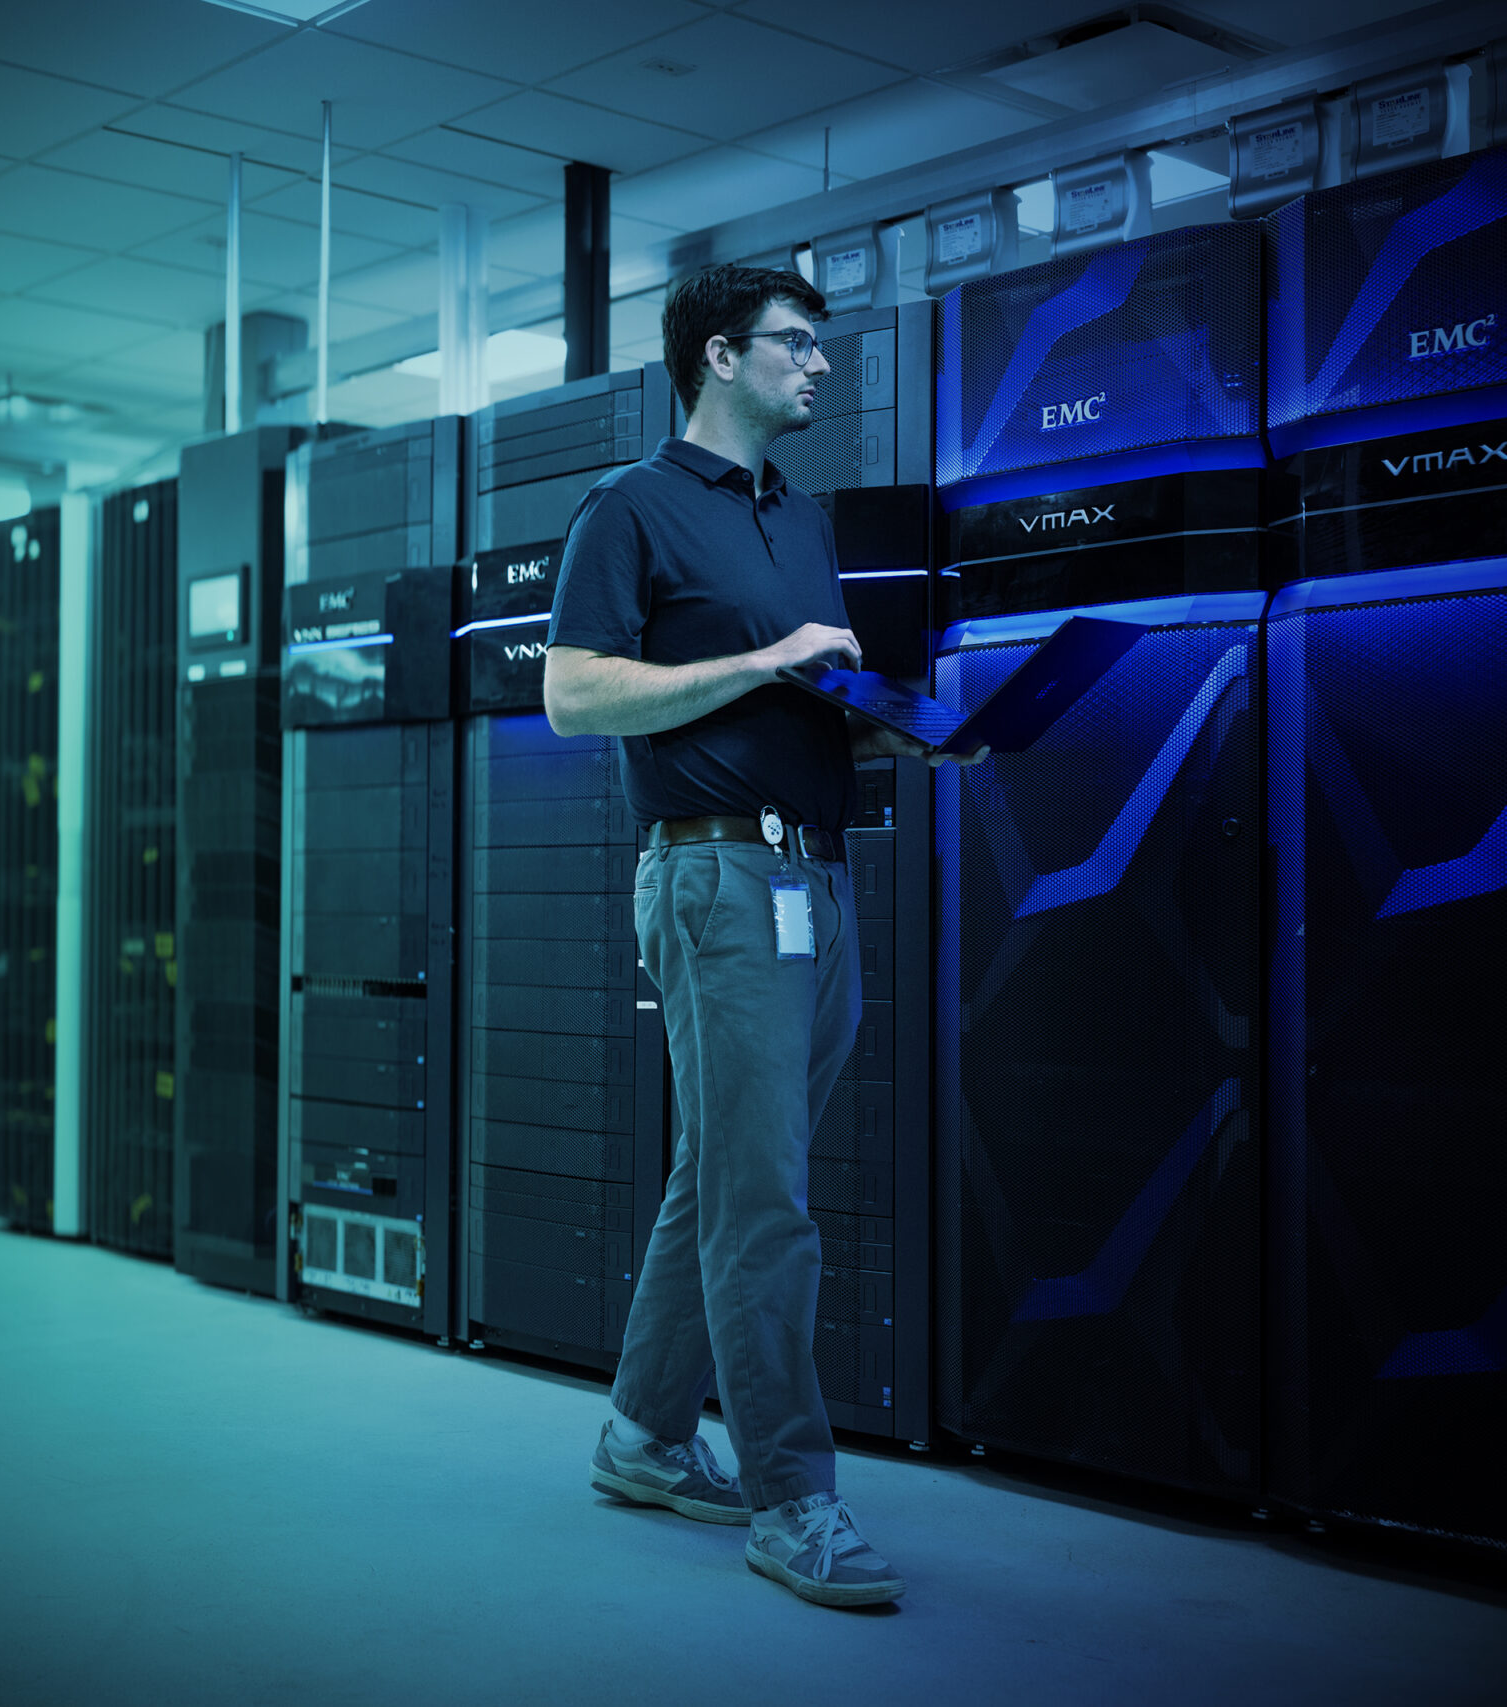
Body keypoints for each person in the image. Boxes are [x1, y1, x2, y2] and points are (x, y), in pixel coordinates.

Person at [543, 262, 962, 1609]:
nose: (819, 363)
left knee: (724, 1175)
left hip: (815, 877)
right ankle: (793, 1499)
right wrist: (760, 661)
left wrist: (889, 732)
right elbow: (573, 695)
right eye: (794, 341)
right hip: (716, 878)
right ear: (718, 357)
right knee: (762, 1199)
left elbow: (789, 704)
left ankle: (643, 1436)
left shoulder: (801, 517)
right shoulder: (630, 507)